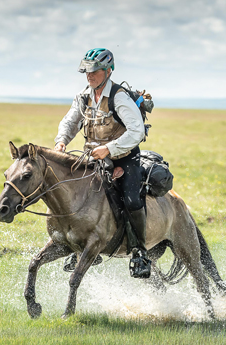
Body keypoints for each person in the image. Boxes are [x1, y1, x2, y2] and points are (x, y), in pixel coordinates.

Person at [54, 48, 151, 279]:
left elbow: (137, 131)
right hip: (94, 157)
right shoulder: (83, 96)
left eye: (95, 70)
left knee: (131, 198)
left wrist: (109, 149)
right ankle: (80, 245)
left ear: (108, 71)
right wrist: (61, 142)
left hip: (124, 156)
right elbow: (70, 121)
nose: (90, 75)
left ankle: (139, 252)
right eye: (87, 70)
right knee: (74, 194)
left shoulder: (119, 97)